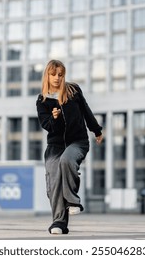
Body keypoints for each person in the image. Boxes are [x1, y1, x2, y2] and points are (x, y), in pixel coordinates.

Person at [36, 60, 103, 235]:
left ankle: (73, 201)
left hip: (77, 142)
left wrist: (96, 130)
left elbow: (86, 111)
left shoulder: (73, 90)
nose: (57, 78)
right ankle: (59, 221)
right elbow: (47, 126)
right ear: (47, 76)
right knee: (53, 178)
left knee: (67, 161)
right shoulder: (42, 100)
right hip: (55, 146)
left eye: (60, 74)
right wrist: (54, 118)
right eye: (53, 75)